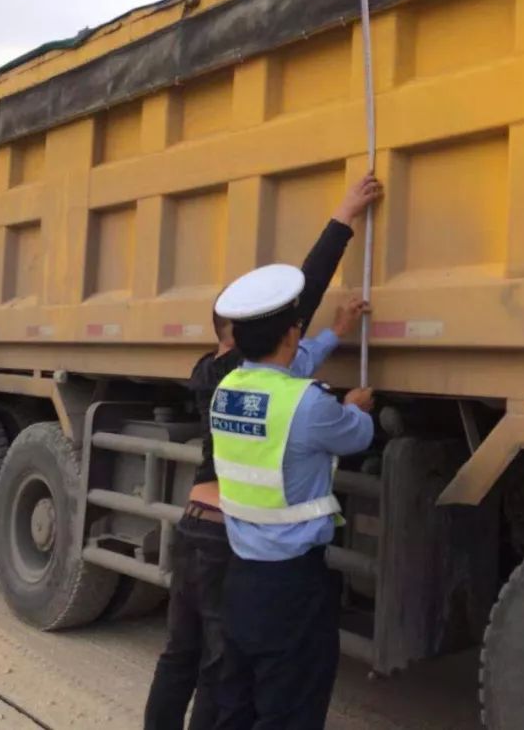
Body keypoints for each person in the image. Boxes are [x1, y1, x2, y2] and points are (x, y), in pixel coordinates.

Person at [143, 174, 383, 730]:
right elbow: (304, 314)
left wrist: (334, 336)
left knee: (196, 664)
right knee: (231, 679)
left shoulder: (220, 379)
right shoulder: (286, 392)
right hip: (244, 552)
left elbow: (287, 362)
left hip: (206, 531)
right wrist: (343, 216)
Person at [210, 264, 376, 730]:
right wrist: (353, 409)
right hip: (292, 587)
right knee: (291, 710)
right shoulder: (310, 405)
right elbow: (357, 436)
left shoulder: (228, 390)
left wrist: (333, 333)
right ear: (290, 334)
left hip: (241, 576)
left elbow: (287, 369)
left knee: (238, 704)